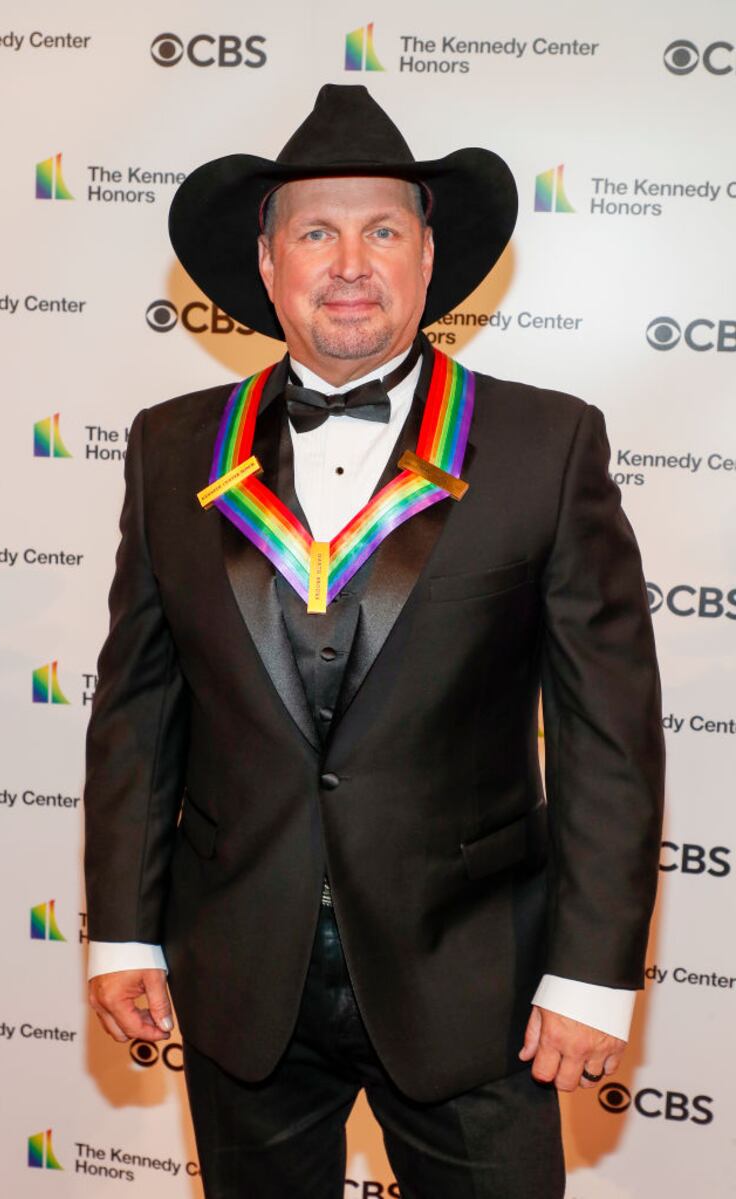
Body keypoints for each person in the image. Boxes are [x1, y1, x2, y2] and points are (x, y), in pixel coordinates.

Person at [84, 85, 664, 1198]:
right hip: (239, 981)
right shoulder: (169, 449)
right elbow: (135, 711)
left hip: (476, 987)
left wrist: (591, 976)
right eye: (315, 230)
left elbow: (609, 736)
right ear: (266, 265)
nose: (349, 261)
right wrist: (123, 932)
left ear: (427, 256)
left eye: (382, 229)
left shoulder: (545, 444)